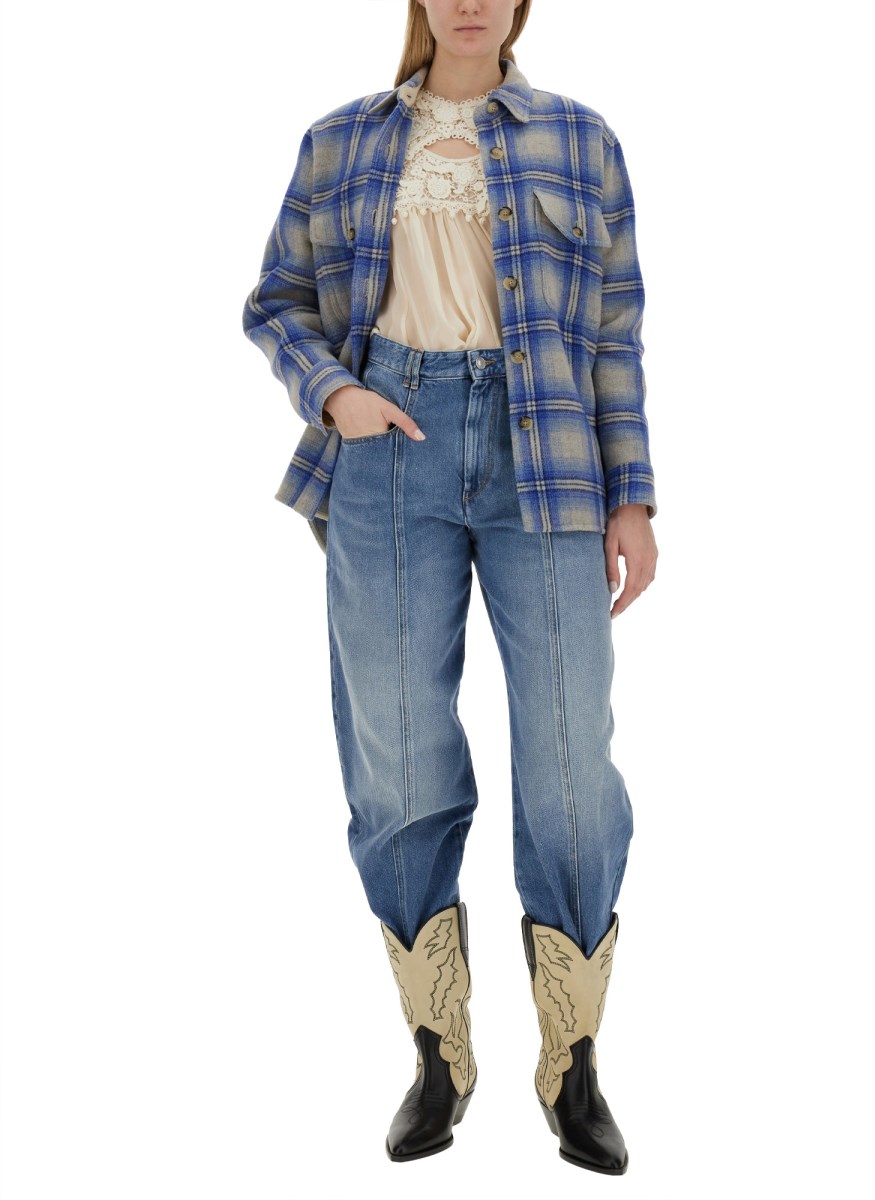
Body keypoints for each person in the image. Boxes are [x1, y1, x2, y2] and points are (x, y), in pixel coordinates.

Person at [242, 0, 658, 1176]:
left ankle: (572, 1058)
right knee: (400, 754)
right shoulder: (341, 139)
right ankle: (439, 1048)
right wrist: (337, 394)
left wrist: (633, 494)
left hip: (550, 458)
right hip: (391, 447)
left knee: (571, 760)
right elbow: (277, 301)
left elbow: (613, 334)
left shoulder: (581, 138)